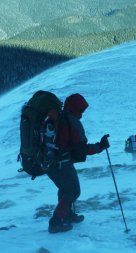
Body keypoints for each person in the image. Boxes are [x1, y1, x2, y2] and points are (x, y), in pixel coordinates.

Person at [47, 93, 109, 233]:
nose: (82, 113)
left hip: (50, 162)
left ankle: (67, 215)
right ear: (76, 107)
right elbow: (81, 148)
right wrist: (100, 146)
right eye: (81, 109)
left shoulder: (59, 117)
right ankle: (56, 222)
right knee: (73, 191)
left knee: (64, 189)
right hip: (62, 163)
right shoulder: (70, 121)